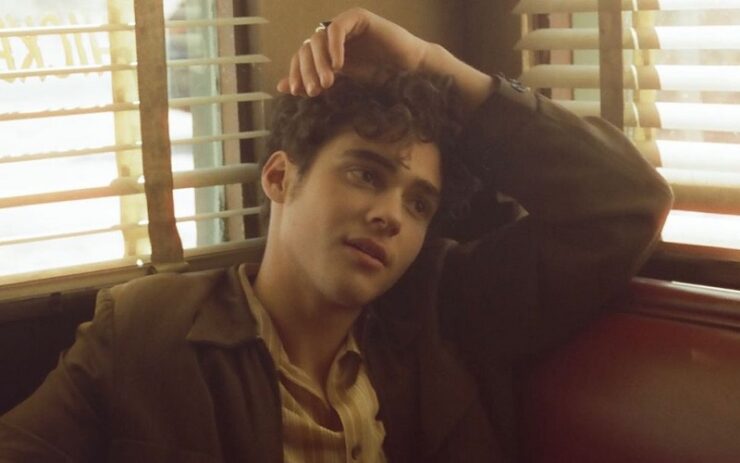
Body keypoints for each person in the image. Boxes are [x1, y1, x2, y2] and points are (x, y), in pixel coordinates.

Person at [0, 8, 672, 463]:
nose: (391, 215)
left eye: (419, 203)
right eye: (365, 173)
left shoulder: (445, 312)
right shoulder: (146, 333)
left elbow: (623, 201)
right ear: (279, 176)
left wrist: (431, 62)